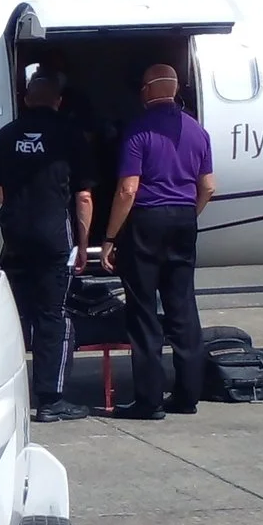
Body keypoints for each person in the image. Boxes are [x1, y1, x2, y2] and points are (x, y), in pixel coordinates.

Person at [98, 63, 215, 418]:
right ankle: (187, 396)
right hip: (182, 218)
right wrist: (186, 216)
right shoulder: (197, 131)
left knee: (144, 310)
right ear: (176, 89)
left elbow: (127, 189)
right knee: (183, 309)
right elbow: (208, 187)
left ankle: (149, 401)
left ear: (147, 90)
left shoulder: (138, 130)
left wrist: (110, 237)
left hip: (146, 220)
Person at [0, 66, 96, 421]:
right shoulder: (71, 135)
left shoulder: (4, 136)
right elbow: (83, 197)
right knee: (54, 317)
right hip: (53, 239)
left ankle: (0, 394)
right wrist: (83, 243)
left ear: (26, 99)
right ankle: (51, 399)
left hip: (14, 235)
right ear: (59, 102)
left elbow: (0, 193)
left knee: (12, 317)